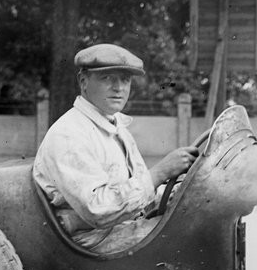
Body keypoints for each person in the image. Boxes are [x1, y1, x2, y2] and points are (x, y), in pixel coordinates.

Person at [33, 43, 202, 254]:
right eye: (107, 78)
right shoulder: (69, 134)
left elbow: (138, 192)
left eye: (125, 79)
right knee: (187, 239)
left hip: (116, 229)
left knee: (196, 223)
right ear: (83, 81)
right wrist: (160, 173)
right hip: (88, 243)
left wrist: (180, 191)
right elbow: (98, 209)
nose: (119, 88)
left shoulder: (116, 127)